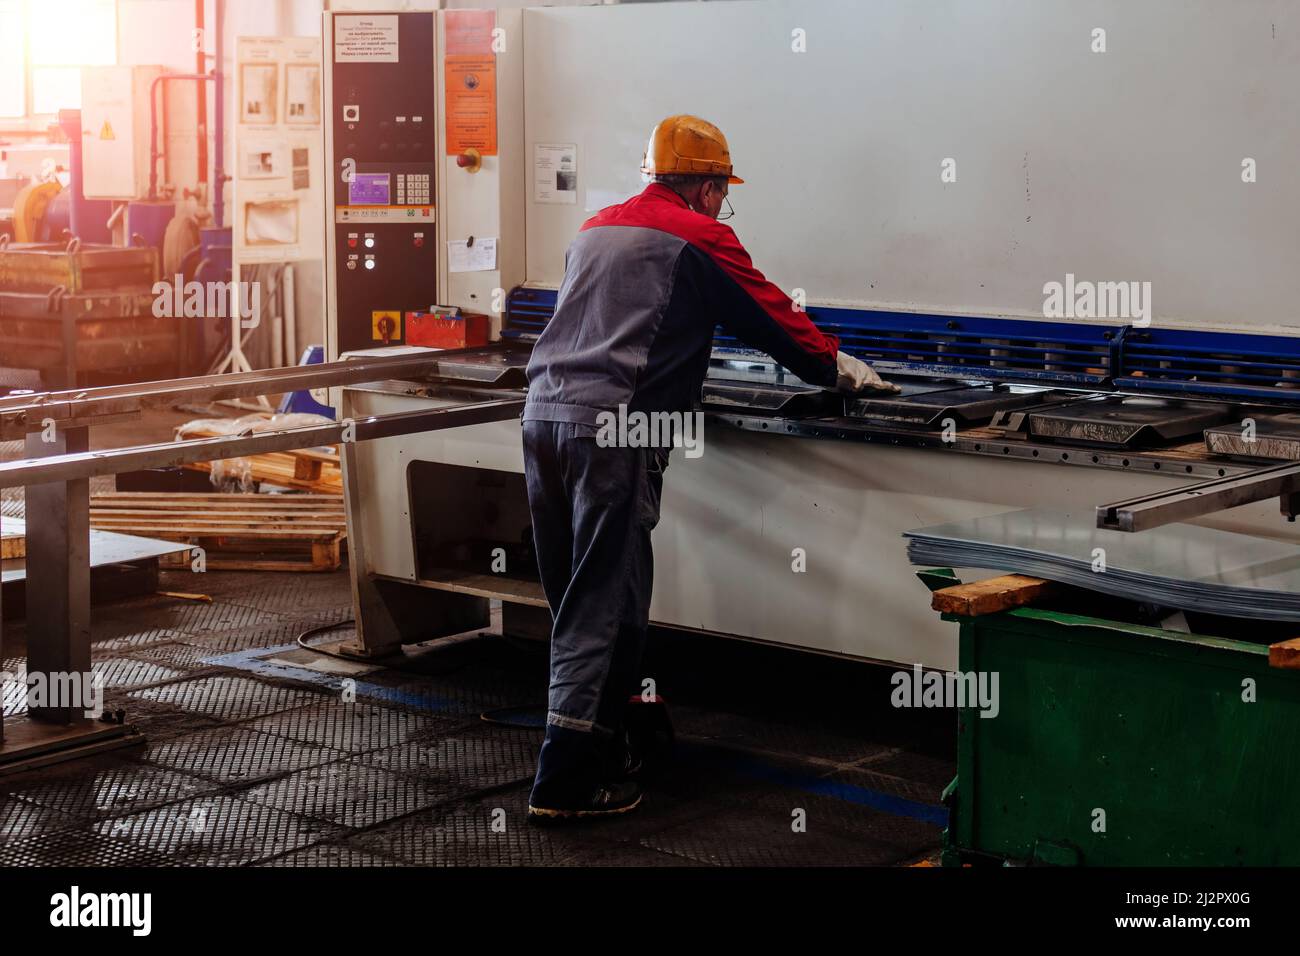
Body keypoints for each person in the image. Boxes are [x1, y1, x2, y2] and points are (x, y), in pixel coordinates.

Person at [521, 115, 898, 824]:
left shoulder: (596, 227)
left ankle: (616, 731)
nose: (724, 203)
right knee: (604, 602)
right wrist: (836, 365)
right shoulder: (699, 234)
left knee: (579, 597)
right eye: (724, 189)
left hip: (543, 416)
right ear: (707, 184)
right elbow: (769, 316)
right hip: (617, 429)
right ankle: (566, 781)